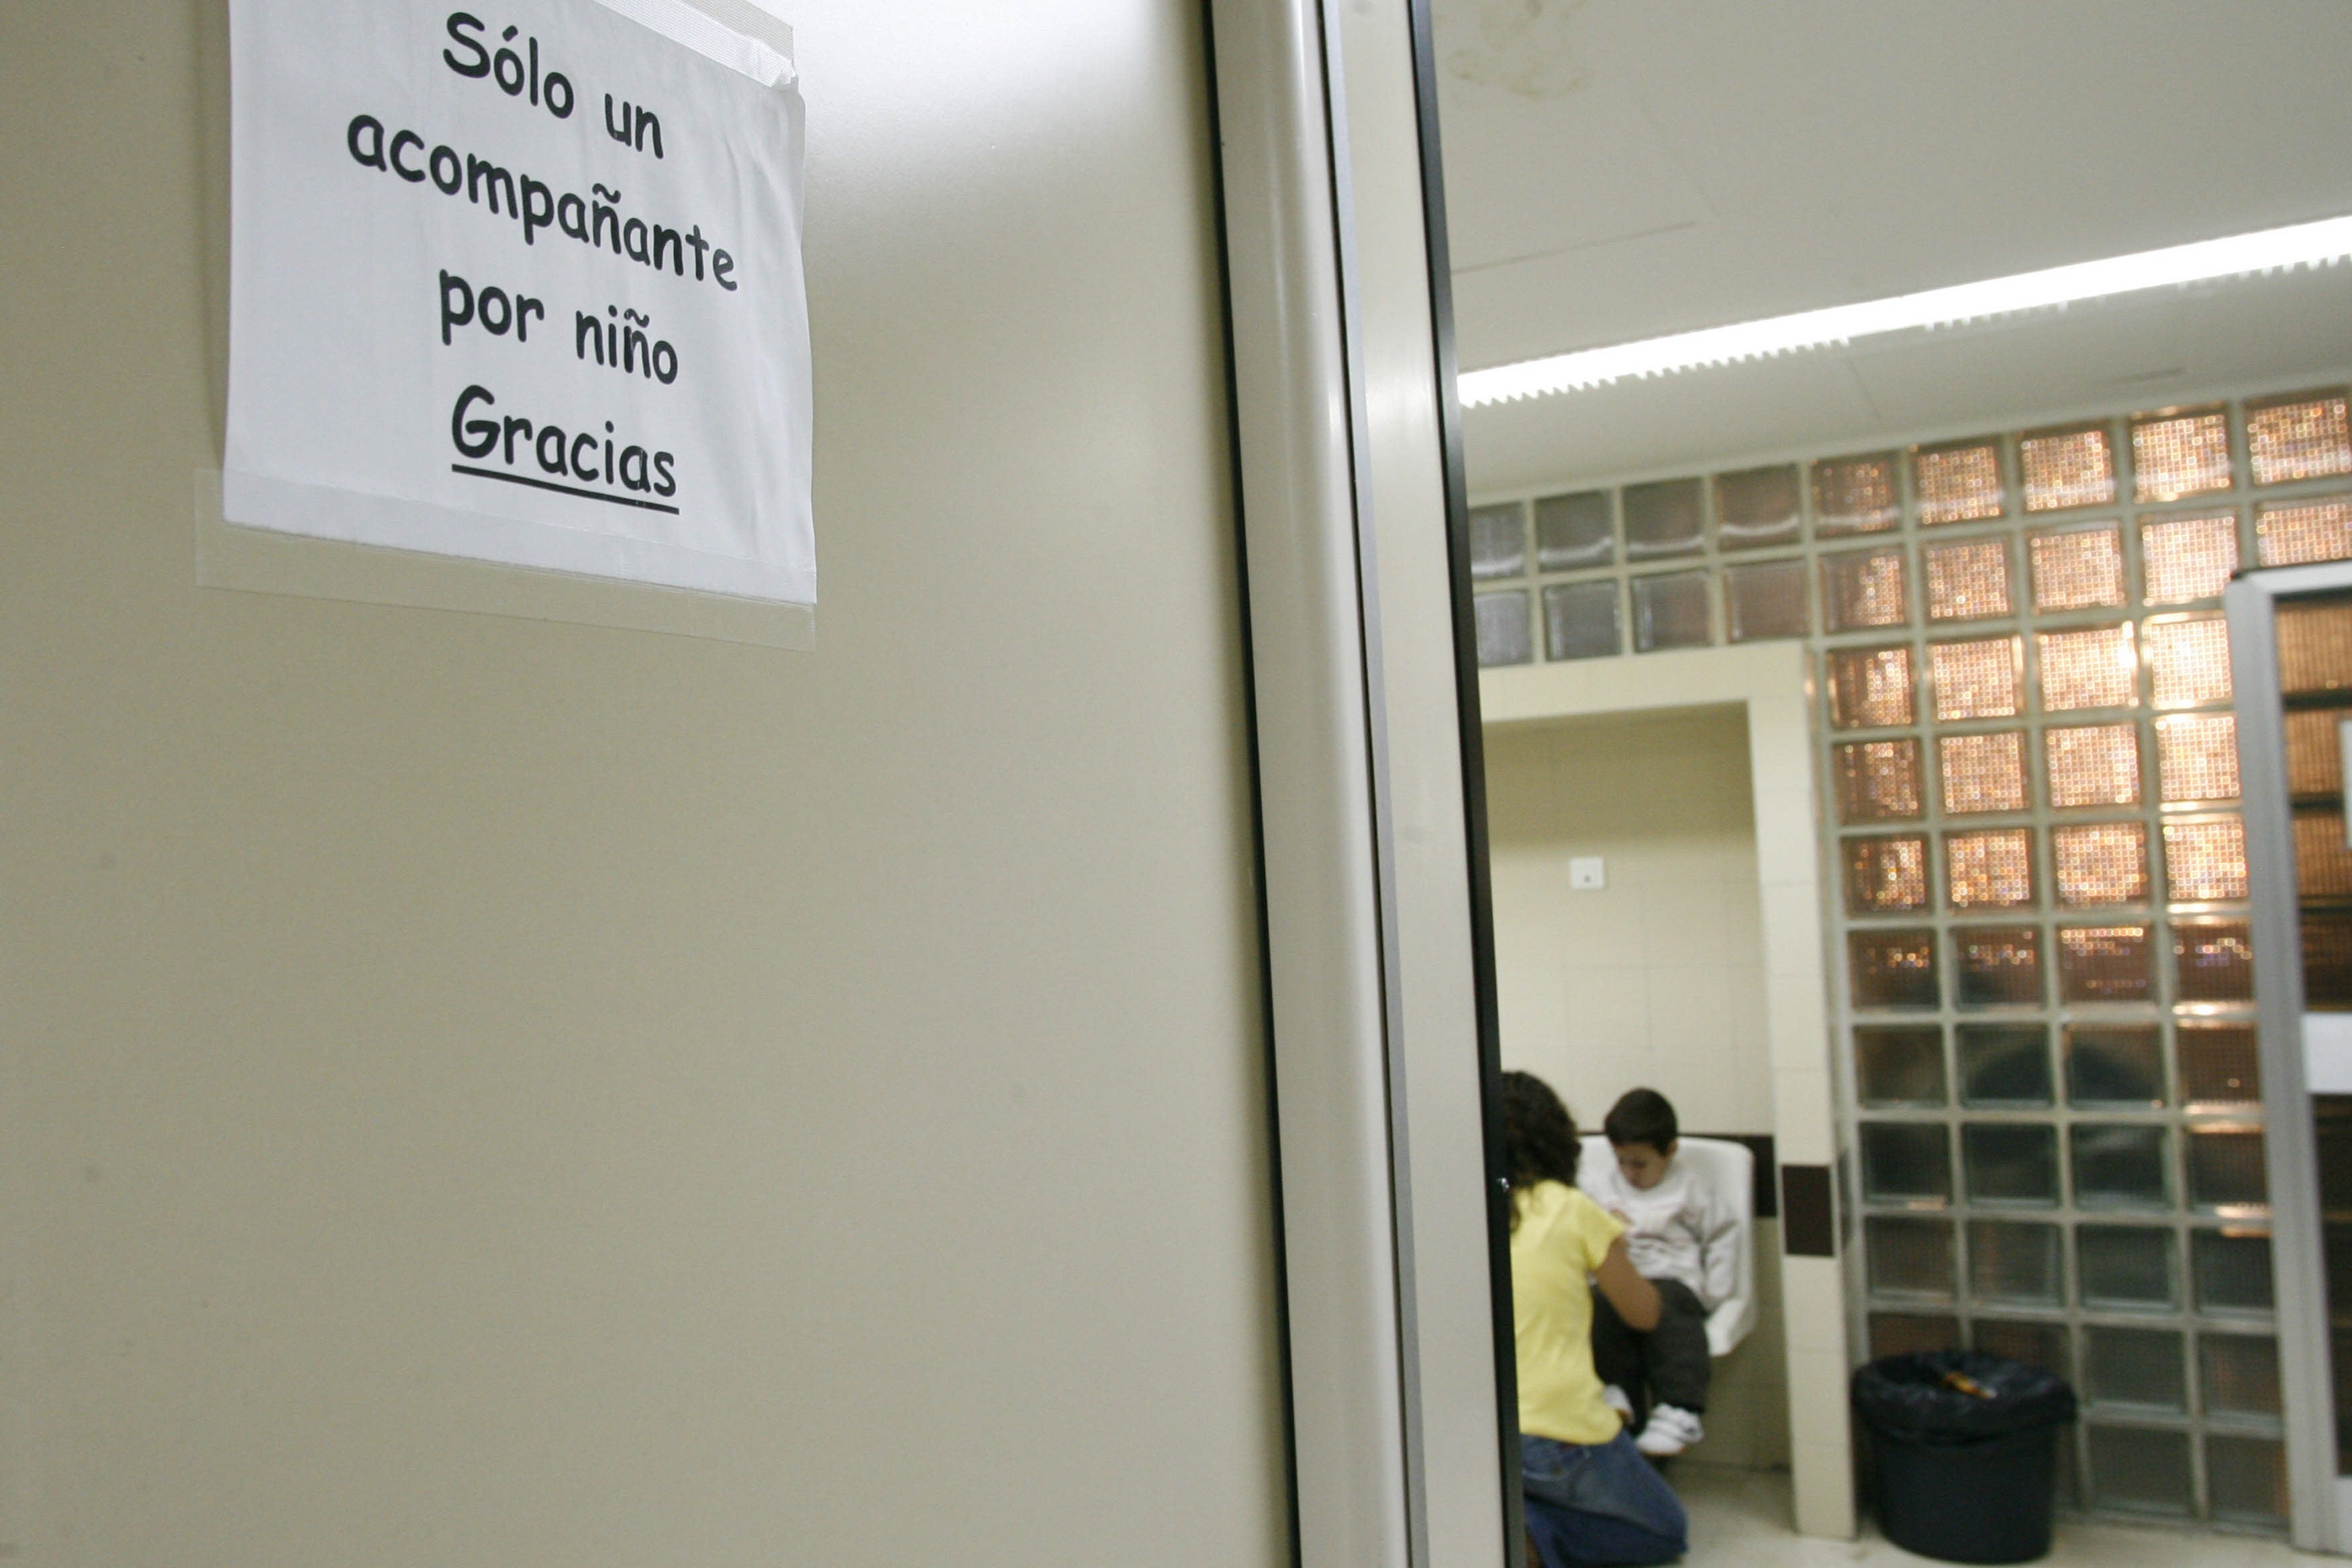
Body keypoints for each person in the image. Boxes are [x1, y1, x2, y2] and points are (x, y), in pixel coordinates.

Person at [1504, 1070, 1689, 1568]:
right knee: (1666, 1531)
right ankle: (1533, 1538)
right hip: (1555, 1430)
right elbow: (1644, 1314)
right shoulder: (1571, 1209)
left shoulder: (1457, 1212)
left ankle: (1512, 1517)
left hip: (1480, 1426)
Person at [1582, 1088, 1737, 1459]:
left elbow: (1721, 1236)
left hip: (1673, 1278)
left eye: (1640, 1164)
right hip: (1621, 1278)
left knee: (1672, 1315)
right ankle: (1615, 1392)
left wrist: (1714, 1294)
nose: (1629, 1173)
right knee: (1599, 1309)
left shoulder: (1691, 1189)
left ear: (1670, 1152)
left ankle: (1680, 1406)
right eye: (1622, 1162)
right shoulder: (1600, 1187)